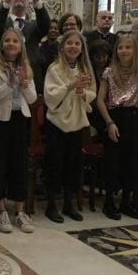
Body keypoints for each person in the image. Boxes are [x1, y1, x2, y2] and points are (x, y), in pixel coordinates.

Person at [0, 28, 37, 233]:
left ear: (20, 45)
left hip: (20, 120)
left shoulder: (26, 67)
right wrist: (9, 84)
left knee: (19, 165)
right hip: (0, 121)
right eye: (7, 40)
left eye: (15, 41)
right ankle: (0, 210)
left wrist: (23, 84)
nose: (11, 44)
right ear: (2, 45)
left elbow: (32, 99)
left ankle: (20, 211)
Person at [43, 29, 96, 223]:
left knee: (74, 165)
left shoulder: (85, 69)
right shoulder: (55, 69)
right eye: (69, 43)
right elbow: (50, 95)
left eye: (77, 44)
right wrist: (70, 86)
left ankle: (68, 204)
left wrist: (83, 93)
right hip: (56, 122)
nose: (73, 47)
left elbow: (92, 94)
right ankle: (51, 205)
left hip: (76, 122)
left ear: (82, 49)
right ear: (62, 46)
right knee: (55, 163)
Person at [96, 34, 138, 220]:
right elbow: (100, 100)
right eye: (120, 48)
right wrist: (109, 123)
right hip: (115, 117)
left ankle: (128, 200)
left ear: (135, 51)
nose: (124, 51)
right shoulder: (109, 72)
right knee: (113, 161)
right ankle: (110, 201)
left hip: (134, 118)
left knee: (132, 162)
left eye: (128, 47)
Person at [0, 0, 50, 93]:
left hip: (31, 79)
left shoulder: (34, 26)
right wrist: (7, 0)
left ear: (28, 1)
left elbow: (46, 26)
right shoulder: (3, 24)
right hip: (3, 78)